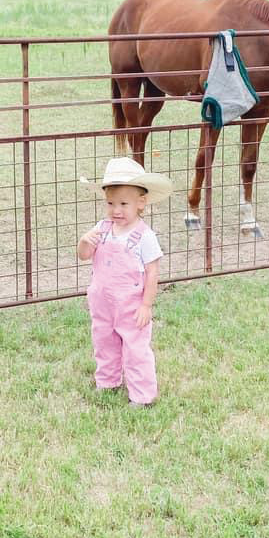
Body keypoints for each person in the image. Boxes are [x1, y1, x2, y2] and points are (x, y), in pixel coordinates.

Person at [77, 157, 173, 407]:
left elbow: (152, 272)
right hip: (102, 303)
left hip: (131, 307)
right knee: (104, 342)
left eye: (123, 204)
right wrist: (84, 241)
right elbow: (84, 255)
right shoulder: (102, 228)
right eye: (110, 203)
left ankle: (142, 395)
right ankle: (107, 381)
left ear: (141, 203)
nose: (116, 210)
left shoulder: (144, 236)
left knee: (135, 348)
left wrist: (146, 305)